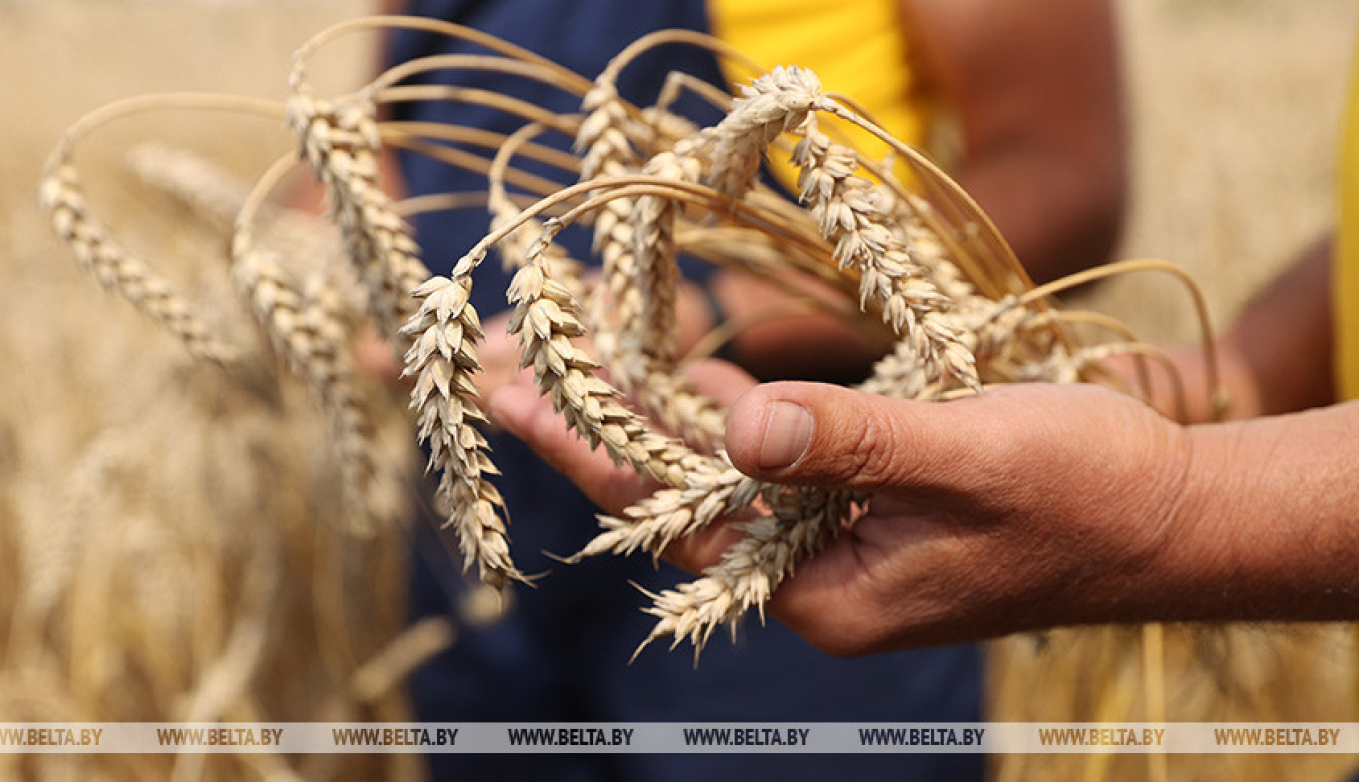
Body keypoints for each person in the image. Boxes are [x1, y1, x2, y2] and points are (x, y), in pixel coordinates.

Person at [375, 2, 1125, 780]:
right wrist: (339, 269)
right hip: (475, 503)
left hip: (787, 501)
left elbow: (1063, 173)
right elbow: (387, 132)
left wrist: (710, 311)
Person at [490, 37, 1359, 660]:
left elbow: (1061, 166)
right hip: (533, 545)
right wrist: (1230, 381)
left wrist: (1178, 508)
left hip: (838, 548)